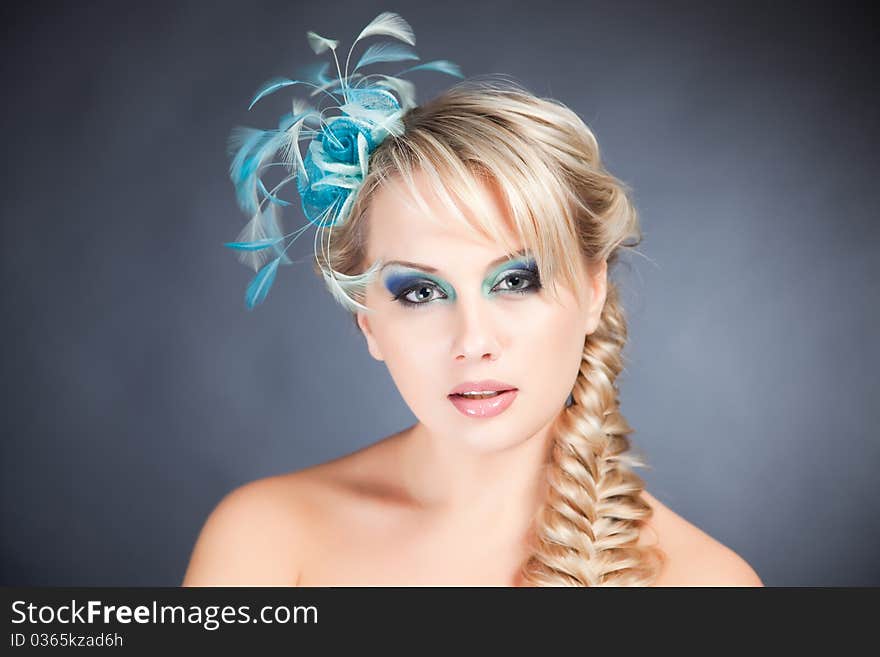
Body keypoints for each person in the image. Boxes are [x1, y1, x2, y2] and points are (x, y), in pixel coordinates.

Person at [183, 12, 763, 587]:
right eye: (421, 291)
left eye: (515, 281)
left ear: (592, 290)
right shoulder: (267, 540)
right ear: (368, 323)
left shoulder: (708, 583)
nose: (474, 342)